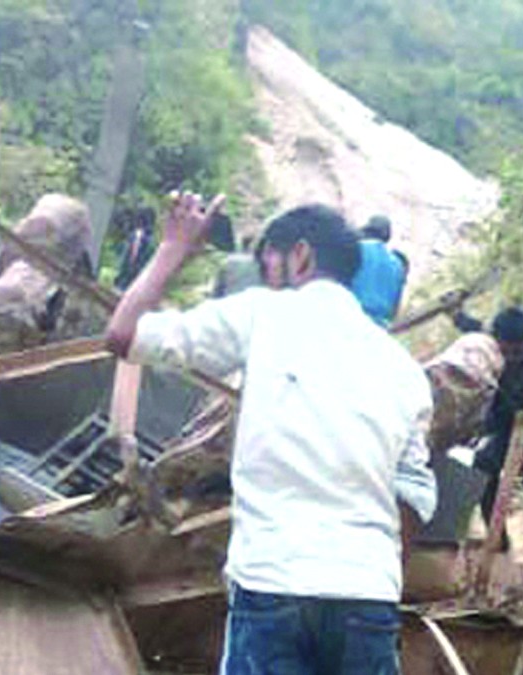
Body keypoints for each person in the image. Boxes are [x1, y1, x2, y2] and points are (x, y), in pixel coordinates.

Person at [105, 197, 437, 675]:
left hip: (274, 582)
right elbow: (413, 500)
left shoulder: (265, 314)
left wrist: (173, 248)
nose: (266, 277)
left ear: (300, 256)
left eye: (269, 264)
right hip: (368, 594)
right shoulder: (405, 371)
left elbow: (123, 334)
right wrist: (370, 576)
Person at [451, 307, 523, 564]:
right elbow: (475, 328)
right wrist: (458, 317)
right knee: (481, 466)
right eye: (504, 352)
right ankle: (499, 549)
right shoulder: (489, 354)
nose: (509, 358)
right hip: (501, 431)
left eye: (516, 352)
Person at [350, 215, 407, 327]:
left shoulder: (356, 250)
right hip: (379, 327)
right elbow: (395, 307)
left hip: (351, 318)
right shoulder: (397, 265)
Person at [114, 207, 156, 290]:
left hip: (128, 281)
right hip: (137, 283)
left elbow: (125, 261)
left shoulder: (134, 238)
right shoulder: (150, 242)